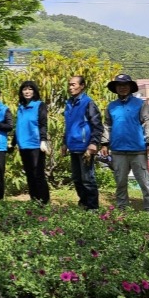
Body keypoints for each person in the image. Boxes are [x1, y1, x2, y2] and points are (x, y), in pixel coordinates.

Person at [100, 74, 149, 215]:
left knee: (145, 182)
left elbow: (147, 122)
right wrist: (104, 143)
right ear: (115, 88)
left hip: (137, 150)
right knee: (120, 182)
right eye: (119, 85)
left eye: (125, 85)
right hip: (118, 150)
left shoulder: (140, 104)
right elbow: (107, 125)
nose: (122, 88)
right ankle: (122, 210)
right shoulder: (111, 106)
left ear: (131, 87)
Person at [62, 75, 103, 210]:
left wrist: (93, 143)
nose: (70, 87)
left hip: (85, 147)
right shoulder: (69, 103)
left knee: (87, 179)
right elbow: (68, 125)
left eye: (73, 84)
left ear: (82, 86)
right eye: (69, 85)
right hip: (73, 146)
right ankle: (84, 204)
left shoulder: (88, 103)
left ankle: (93, 208)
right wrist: (64, 143)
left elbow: (97, 125)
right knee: (77, 179)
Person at [11, 80, 50, 204]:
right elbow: (19, 126)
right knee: (29, 174)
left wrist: (43, 140)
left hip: (36, 145)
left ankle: (44, 201)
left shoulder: (40, 105)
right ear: (21, 92)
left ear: (34, 91)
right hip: (23, 145)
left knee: (38, 174)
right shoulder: (21, 107)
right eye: (24, 89)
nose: (27, 92)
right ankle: (34, 200)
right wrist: (13, 143)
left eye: (30, 89)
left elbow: (43, 124)